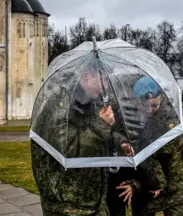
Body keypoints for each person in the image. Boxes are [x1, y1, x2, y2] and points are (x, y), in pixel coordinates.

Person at [31, 67, 118, 216]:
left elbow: (94, 134)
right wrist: (103, 125)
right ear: (86, 77)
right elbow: (68, 149)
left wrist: (120, 143)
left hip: (92, 200)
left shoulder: (92, 102)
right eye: (103, 79)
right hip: (67, 206)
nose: (106, 86)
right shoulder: (60, 105)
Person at [117, 76, 183, 216]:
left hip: (173, 184)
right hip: (146, 183)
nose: (149, 110)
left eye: (154, 106)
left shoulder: (172, 123)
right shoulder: (133, 118)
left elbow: (158, 158)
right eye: (144, 106)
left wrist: (157, 184)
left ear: (162, 97)